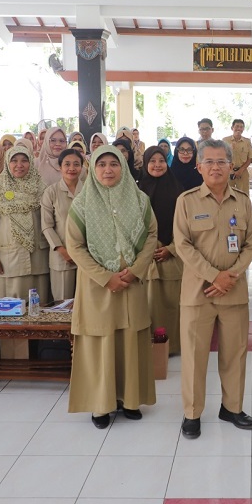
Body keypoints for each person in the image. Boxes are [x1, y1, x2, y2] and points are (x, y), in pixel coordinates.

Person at [66, 145, 158, 428]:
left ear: (123, 167)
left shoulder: (140, 200)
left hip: (132, 282)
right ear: (92, 169)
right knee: (101, 342)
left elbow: (152, 235)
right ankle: (100, 405)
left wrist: (135, 271)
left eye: (114, 164)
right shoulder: (81, 203)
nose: (108, 169)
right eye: (102, 164)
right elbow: (75, 246)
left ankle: (129, 400)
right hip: (97, 286)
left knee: (130, 340)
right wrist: (106, 277)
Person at [173, 139, 252, 439]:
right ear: (198, 167)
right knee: (195, 356)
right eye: (208, 162)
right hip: (198, 292)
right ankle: (192, 413)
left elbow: (251, 243)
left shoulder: (243, 201)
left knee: (234, 353)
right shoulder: (187, 201)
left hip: (233, 290)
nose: (215, 167)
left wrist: (231, 275)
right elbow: (182, 245)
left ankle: (232, 408)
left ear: (231, 166)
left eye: (221, 161)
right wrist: (213, 276)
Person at [0, 145, 50, 304]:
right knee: (10, 309)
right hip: (8, 260)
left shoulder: (41, 188)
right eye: (14, 161)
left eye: (24, 161)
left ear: (31, 163)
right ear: (7, 163)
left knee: (38, 306)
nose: (19, 165)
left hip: (39, 259)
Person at [139, 146, 184, 355]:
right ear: (145, 163)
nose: (157, 165)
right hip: (145, 258)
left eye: (162, 161)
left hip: (173, 256)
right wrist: (150, 247)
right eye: (152, 161)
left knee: (171, 303)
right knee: (147, 304)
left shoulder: (179, 191)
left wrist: (171, 248)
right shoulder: (137, 193)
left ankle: (173, 345)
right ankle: (148, 346)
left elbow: (186, 227)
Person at [41, 148, 84, 302]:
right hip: (61, 256)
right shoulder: (51, 192)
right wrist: (62, 250)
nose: (72, 168)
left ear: (82, 167)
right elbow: (46, 226)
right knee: (63, 303)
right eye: (67, 164)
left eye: (76, 164)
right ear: (60, 167)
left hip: (86, 255)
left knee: (85, 302)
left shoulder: (89, 191)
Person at [223, 119, 252, 195]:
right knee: (228, 195)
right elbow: (221, 157)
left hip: (242, 172)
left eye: (241, 127)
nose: (239, 129)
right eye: (237, 126)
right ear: (232, 128)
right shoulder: (225, 140)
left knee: (244, 196)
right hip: (228, 172)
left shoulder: (247, 141)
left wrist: (241, 170)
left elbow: (250, 157)